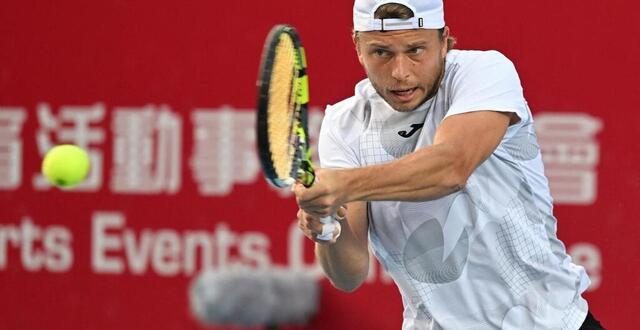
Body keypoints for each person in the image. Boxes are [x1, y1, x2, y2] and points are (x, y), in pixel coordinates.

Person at [292, 0, 605, 329]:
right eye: (381, 53)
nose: (400, 72)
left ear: (444, 41)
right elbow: (349, 275)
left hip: (552, 323)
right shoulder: (344, 125)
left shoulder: (484, 73)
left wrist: (342, 186)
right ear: (357, 46)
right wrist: (327, 227)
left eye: (416, 50)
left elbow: (451, 168)